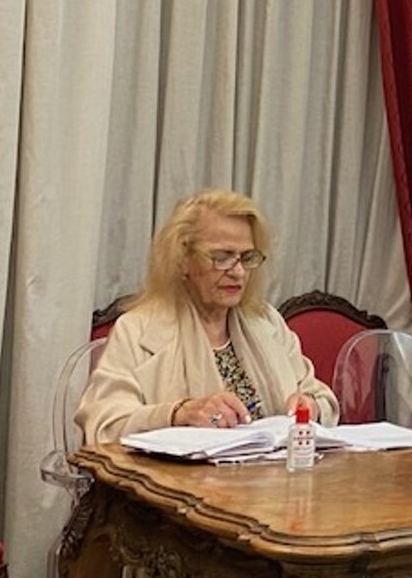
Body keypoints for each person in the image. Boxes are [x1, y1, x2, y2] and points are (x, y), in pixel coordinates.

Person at [77, 189, 338, 444]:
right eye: (221, 257)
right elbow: (104, 424)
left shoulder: (267, 321)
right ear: (182, 260)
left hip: (274, 471)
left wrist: (311, 407)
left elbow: (321, 398)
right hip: (180, 475)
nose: (238, 272)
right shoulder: (136, 330)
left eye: (247, 257)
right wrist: (177, 414)